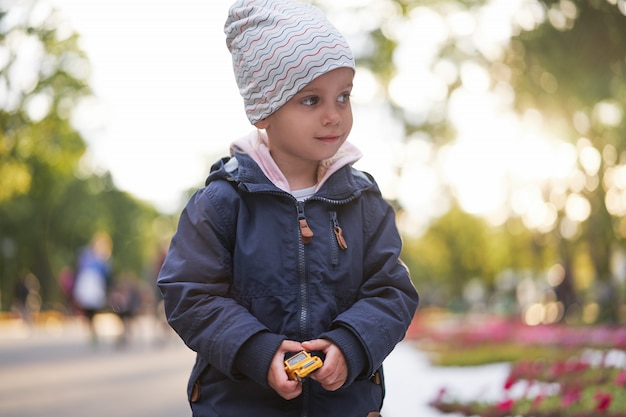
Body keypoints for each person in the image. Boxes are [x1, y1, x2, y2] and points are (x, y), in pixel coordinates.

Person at [157, 1, 419, 416]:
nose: (334, 116)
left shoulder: (364, 202)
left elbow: (391, 292)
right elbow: (189, 294)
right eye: (311, 100)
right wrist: (255, 349)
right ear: (264, 110)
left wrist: (350, 344)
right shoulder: (222, 202)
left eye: (344, 97)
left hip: (345, 404)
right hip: (241, 404)